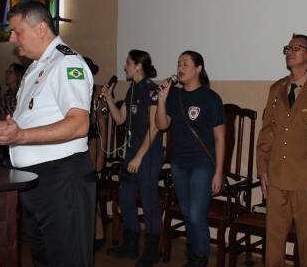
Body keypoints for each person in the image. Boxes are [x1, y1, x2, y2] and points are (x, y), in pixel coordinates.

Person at [0, 0, 96, 267]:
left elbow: (79, 124)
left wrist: (20, 138)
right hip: (34, 179)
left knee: (66, 260)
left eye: (16, 31)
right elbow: (21, 123)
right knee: (43, 259)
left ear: (41, 28)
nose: (12, 38)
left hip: (61, 178)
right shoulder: (36, 67)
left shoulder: (66, 62)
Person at [256, 34, 307, 267]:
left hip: (306, 181)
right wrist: (262, 169)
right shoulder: (277, 88)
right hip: (276, 177)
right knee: (274, 242)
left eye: (296, 48)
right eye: (288, 48)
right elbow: (266, 132)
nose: (290, 52)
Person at [155, 50, 226, 267]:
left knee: (196, 215)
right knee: (187, 213)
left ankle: (199, 260)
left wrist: (219, 173)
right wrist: (162, 98)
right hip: (179, 164)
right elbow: (161, 125)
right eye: (178, 64)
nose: (180, 68)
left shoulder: (211, 98)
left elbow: (220, 139)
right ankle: (194, 254)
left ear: (198, 68)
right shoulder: (175, 96)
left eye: (185, 64)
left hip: (202, 164)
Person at [104, 50, 165, 267]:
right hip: (132, 149)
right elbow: (120, 119)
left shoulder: (151, 90)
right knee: (126, 199)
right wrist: (109, 98)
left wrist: (139, 157)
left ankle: (151, 251)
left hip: (148, 151)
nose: (124, 67)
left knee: (149, 202)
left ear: (138, 65)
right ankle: (130, 246)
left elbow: (155, 127)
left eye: (128, 63)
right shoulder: (132, 89)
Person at [83, 56, 108, 253]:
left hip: (92, 142)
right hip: (73, 144)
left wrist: (101, 155)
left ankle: (97, 233)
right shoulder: (70, 87)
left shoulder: (99, 93)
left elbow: (103, 126)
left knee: (90, 189)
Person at [0, 62, 26, 168]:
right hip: (5, 133)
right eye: (6, 72)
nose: (6, 75)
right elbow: (1, 116)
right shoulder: (6, 94)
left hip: (19, 133)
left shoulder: (23, 93)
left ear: (17, 75)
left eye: (10, 72)